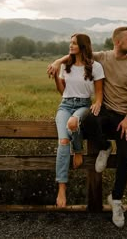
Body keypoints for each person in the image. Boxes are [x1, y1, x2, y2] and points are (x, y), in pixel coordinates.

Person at [47, 26, 127, 228]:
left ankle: (116, 200)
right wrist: (57, 62)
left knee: (126, 157)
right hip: (106, 113)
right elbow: (79, 53)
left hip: (124, 117)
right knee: (89, 118)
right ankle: (104, 147)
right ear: (117, 42)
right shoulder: (103, 57)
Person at [50, 33, 105, 208]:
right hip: (65, 105)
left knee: (73, 123)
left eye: (74, 43)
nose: (70, 45)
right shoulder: (66, 66)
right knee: (63, 141)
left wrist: (98, 103)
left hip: (83, 105)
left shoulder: (95, 67)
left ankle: (79, 149)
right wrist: (56, 79)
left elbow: (99, 92)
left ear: (82, 46)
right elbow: (62, 92)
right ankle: (62, 187)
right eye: (70, 42)